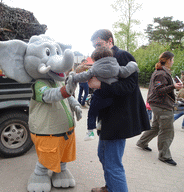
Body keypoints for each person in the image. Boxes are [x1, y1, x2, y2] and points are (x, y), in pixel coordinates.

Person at [88, 29, 151, 192]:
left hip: (118, 119)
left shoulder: (122, 56)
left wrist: (100, 85)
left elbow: (129, 86)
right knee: (103, 156)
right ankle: (110, 187)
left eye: (99, 44)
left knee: (112, 163)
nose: (96, 48)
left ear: (110, 41)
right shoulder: (103, 59)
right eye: (94, 46)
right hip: (107, 117)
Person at [69, 47, 139, 141]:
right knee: (106, 110)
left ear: (95, 59)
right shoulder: (116, 67)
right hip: (112, 95)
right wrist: (133, 64)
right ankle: (101, 124)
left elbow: (84, 76)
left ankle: (90, 132)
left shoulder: (94, 68)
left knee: (92, 112)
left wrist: (74, 77)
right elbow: (125, 72)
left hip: (99, 94)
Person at [136, 51, 183, 166]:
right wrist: (173, 86)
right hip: (161, 105)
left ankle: (142, 142)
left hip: (158, 105)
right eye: (172, 60)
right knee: (167, 131)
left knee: (156, 127)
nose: (173, 62)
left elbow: (162, 89)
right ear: (168, 60)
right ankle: (164, 156)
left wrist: (174, 87)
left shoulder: (161, 71)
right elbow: (159, 90)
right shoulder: (161, 73)